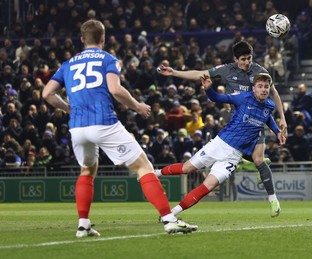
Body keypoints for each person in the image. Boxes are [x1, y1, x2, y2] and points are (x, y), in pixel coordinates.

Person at [42, 19, 197, 237]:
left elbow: (46, 93)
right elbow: (115, 89)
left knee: (86, 170)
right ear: (103, 38)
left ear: (81, 40)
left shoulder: (68, 64)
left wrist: (69, 109)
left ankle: (83, 225)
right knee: (144, 166)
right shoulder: (108, 59)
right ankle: (169, 219)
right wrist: (138, 106)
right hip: (103, 122)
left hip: (77, 127)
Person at [158, 40, 287, 205]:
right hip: (235, 119)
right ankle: (258, 162)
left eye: (249, 58)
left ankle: (268, 186)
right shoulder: (226, 70)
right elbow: (200, 74)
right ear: (235, 59)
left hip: (255, 119)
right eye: (243, 59)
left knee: (258, 159)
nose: (247, 62)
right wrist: (174, 72)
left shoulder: (259, 71)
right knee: (251, 156)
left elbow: (274, 93)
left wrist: (282, 116)